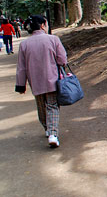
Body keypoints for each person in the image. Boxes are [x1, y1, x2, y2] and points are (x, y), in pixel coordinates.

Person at [15, 15, 68, 148]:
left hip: (35, 81)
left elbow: (21, 67)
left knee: (41, 106)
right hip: (52, 79)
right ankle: (53, 134)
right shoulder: (53, 39)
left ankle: (47, 129)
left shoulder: (24, 44)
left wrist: (21, 85)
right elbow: (62, 60)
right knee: (52, 106)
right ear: (43, 25)